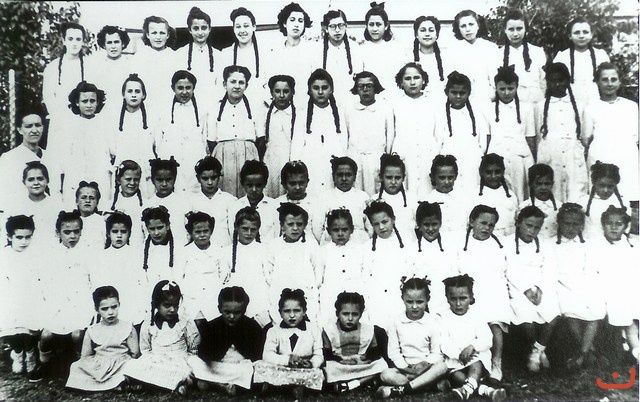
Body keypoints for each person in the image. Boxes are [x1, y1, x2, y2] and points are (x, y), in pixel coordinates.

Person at [36, 210, 93, 381]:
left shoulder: (88, 253)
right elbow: (45, 285)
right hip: (57, 305)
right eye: (67, 232)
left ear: (81, 232)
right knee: (46, 334)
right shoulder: (51, 255)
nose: (72, 236)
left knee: (77, 334)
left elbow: (91, 283)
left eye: (76, 231)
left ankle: (78, 364)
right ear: (58, 233)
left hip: (79, 304)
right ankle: (44, 362)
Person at [457, 205, 510, 381]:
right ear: (472, 222)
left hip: (493, 290)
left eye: (491, 225)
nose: (487, 228)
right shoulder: (461, 244)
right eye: (483, 223)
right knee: (471, 325)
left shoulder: (499, 245)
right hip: (470, 291)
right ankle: (473, 363)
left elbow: (502, 271)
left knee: (495, 325)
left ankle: (496, 362)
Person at [505, 206, 560, 372]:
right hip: (518, 287)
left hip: (541, 286)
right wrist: (526, 289)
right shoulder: (506, 243)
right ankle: (538, 352)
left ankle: (537, 351)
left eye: (537, 227)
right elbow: (509, 269)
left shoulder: (545, 244)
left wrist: (541, 289)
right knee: (525, 315)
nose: (532, 231)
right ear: (518, 223)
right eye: (528, 225)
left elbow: (550, 268)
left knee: (553, 312)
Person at [122, 280, 200, 396]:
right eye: (167, 306)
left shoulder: (184, 321)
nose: (172, 309)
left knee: (188, 370)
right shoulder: (149, 322)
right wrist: (153, 360)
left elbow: (193, 345)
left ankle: (169, 383)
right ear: (156, 305)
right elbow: (145, 348)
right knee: (131, 366)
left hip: (179, 359)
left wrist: (188, 360)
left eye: (175, 305)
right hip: (156, 360)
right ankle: (171, 384)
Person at [439, 275, 507, 401]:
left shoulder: (477, 315)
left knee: (476, 365)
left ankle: (467, 389)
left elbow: (487, 339)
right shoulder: (443, 317)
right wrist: (458, 354)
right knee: (457, 377)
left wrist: (472, 347)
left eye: (463, 298)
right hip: (456, 361)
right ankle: (486, 390)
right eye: (453, 299)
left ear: (471, 297)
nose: (458, 304)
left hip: (476, 357)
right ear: (447, 298)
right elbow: (444, 343)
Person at [376, 278, 447, 399]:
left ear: (427, 300)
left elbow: (436, 352)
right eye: (409, 302)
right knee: (385, 374)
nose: (414, 306)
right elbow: (394, 352)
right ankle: (427, 384)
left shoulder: (433, 322)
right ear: (402, 299)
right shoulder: (395, 322)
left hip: (427, 368)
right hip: (404, 370)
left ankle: (402, 389)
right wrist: (408, 369)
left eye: (419, 302)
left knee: (442, 366)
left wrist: (424, 365)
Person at [551, 203, 602, 368]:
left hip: (583, 284)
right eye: (567, 223)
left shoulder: (587, 244)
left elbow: (591, 270)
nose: (571, 228)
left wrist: (584, 287)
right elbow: (551, 271)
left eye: (576, 224)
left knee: (595, 309)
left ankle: (583, 353)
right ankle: (588, 351)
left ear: (581, 225)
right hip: (561, 286)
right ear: (559, 223)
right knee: (570, 309)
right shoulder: (551, 244)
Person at [189, 286, 264, 396]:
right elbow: (205, 355)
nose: (232, 316)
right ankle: (224, 385)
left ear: (244, 310)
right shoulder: (213, 326)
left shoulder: (252, 327)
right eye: (227, 312)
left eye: (237, 312)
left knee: (252, 369)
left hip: (240, 367)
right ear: (219, 309)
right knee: (193, 361)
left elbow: (257, 356)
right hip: (218, 367)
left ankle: (214, 384)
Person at [587, 206, 639, 364]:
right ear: (603, 225)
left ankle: (635, 349)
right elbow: (591, 272)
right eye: (609, 223)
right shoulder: (595, 245)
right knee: (617, 308)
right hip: (604, 289)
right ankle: (624, 347)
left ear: (625, 226)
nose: (614, 227)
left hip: (627, 287)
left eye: (619, 224)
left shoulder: (632, 245)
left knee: (631, 309)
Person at [65, 286, 140, 391]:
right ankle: (115, 384)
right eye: (104, 309)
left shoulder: (127, 327)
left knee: (134, 365)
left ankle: (116, 383)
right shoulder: (92, 330)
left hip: (121, 364)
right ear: (97, 310)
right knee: (76, 366)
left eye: (114, 307)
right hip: (100, 366)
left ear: (119, 305)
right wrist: (94, 366)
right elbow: (85, 356)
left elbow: (135, 354)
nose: (110, 312)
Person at [253, 288, 324, 399]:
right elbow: (267, 355)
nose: (292, 315)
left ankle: (281, 387)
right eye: (286, 311)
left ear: (304, 311)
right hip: (282, 368)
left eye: (297, 311)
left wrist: (311, 363)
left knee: (318, 373)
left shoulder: (313, 330)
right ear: (280, 313)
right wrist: (287, 360)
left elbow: (319, 354)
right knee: (260, 366)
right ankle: (293, 387)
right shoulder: (273, 331)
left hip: (304, 370)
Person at [208, 65, 266, 198]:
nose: (237, 86)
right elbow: (211, 141)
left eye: (241, 82)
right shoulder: (215, 109)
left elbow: (261, 139)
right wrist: (223, 153)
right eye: (233, 82)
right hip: (223, 159)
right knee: (225, 194)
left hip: (248, 156)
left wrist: (252, 157)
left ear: (246, 86)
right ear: (225, 84)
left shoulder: (255, 108)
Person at [583, 62, 639, 200]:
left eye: (613, 79)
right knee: (602, 196)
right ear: (597, 82)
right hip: (601, 156)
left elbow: (635, 136)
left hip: (626, 157)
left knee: (627, 195)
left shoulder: (631, 106)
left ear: (620, 82)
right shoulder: (590, 108)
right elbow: (586, 138)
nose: (609, 83)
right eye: (604, 79)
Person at [535, 62, 589, 203]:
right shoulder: (540, 106)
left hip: (573, 157)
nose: (557, 84)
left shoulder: (580, 105)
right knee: (553, 194)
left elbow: (584, 135)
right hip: (551, 156)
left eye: (561, 80)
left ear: (568, 80)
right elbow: (538, 136)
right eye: (553, 81)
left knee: (576, 194)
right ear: (547, 82)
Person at [52, 82, 111, 202]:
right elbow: (61, 157)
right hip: (75, 177)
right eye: (84, 101)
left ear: (97, 102)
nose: (89, 105)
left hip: (99, 175)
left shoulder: (105, 125)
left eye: (92, 101)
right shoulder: (68, 127)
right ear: (77, 102)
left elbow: (113, 150)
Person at [291, 68, 347, 193]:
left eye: (324, 88)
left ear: (331, 89)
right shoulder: (302, 113)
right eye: (316, 88)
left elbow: (344, 143)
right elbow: (296, 145)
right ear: (310, 90)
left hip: (332, 164)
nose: (320, 92)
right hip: (310, 163)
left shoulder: (339, 112)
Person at [486, 66, 536, 202]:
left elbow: (530, 138)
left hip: (520, 159)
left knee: (521, 194)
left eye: (510, 88)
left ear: (516, 87)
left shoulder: (526, 108)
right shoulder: (488, 108)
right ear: (496, 88)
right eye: (502, 89)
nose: (506, 93)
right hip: (497, 158)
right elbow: (487, 137)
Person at [154, 70, 209, 192]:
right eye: (180, 88)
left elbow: (204, 141)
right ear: (173, 88)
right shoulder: (163, 111)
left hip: (193, 163)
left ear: (193, 88)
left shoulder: (202, 112)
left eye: (188, 88)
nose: (184, 92)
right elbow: (158, 143)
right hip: (171, 163)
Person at [323, 291, 387, 393]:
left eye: (355, 314)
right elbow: (327, 354)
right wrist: (341, 361)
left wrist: (368, 359)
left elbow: (374, 351)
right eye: (345, 314)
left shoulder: (368, 330)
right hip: (340, 363)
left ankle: (352, 384)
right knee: (329, 368)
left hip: (361, 363)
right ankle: (365, 382)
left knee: (381, 364)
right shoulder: (330, 330)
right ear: (337, 314)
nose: (350, 318)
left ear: (360, 314)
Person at [0, 215, 40, 379]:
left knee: (29, 327)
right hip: (10, 296)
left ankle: (30, 354)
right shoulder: (4, 255)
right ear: (9, 237)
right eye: (19, 237)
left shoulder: (35, 255)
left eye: (28, 237)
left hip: (30, 296)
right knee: (11, 326)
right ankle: (17, 352)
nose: (24, 241)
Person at [91, 212, 147, 327]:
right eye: (115, 231)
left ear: (129, 233)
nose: (119, 235)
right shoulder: (101, 256)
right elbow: (97, 283)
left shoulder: (137, 254)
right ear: (108, 233)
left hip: (131, 304)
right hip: (110, 304)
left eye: (123, 232)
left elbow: (142, 282)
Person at [436, 71, 489, 191]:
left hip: (473, 161)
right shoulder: (440, 114)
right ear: (446, 92)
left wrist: (476, 155)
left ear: (469, 93)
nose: (458, 96)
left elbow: (483, 140)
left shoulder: (477, 112)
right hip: (449, 163)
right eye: (454, 92)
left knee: (472, 190)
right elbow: (437, 140)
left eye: (462, 93)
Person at [267, 203, 320, 322]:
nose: (295, 228)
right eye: (290, 224)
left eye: (299, 224)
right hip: (280, 294)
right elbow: (268, 273)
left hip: (307, 295)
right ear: (282, 225)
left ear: (305, 225)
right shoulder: (274, 245)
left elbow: (318, 271)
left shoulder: (311, 245)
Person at [391, 62, 437, 195]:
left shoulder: (433, 103)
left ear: (423, 80)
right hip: (404, 153)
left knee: (427, 189)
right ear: (401, 82)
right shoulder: (395, 104)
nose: (412, 82)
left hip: (427, 153)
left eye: (416, 78)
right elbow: (391, 133)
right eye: (407, 78)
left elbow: (438, 133)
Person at [345, 71, 393, 196]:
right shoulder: (349, 110)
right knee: (356, 193)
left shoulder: (385, 109)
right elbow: (346, 136)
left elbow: (390, 137)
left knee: (376, 192)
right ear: (356, 89)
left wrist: (386, 158)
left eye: (369, 86)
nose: (365, 90)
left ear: (375, 87)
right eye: (361, 86)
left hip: (376, 159)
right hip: (355, 158)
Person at [363, 200, 408, 329]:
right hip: (377, 304)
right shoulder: (366, 248)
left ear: (393, 219)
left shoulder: (407, 244)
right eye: (376, 224)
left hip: (399, 302)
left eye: (385, 222)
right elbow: (364, 280)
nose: (381, 227)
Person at [222, 207, 271, 327]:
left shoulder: (265, 250)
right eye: (245, 229)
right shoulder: (226, 252)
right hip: (236, 304)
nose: (249, 233)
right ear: (236, 227)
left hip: (260, 302)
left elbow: (269, 279)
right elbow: (223, 281)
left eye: (253, 229)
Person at [316, 209, 367, 325]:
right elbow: (318, 279)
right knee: (330, 325)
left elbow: (365, 276)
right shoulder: (323, 251)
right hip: (331, 296)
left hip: (355, 294)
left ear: (352, 229)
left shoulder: (360, 250)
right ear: (328, 231)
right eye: (335, 230)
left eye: (344, 229)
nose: (340, 234)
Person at [110, 75, 155, 198]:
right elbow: (112, 149)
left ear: (143, 95)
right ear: (123, 94)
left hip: (145, 173)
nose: (134, 95)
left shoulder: (152, 119)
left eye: (137, 91)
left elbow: (157, 146)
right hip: (123, 173)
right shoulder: (114, 119)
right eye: (130, 91)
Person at [410, 202, 457, 315]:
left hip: (447, 306)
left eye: (434, 224)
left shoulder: (450, 248)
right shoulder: (411, 250)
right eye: (426, 225)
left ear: (440, 223)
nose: (431, 229)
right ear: (419, 225)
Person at [178, 211, 224, 326]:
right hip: (191, 299)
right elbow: (178, 276)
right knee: (193, 327)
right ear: (191, 233)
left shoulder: (219, 250)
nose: (202, 235)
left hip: (213, 297)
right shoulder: (184, 252)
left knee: (213, 325)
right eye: (198, 232)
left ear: (211, 231)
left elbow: (223, 274)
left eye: (206, 231)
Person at [266, 2, 314, 106]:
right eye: (292, 20)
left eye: (300, 21)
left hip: (304, 106)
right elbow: (268, 81)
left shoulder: (311, 51)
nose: (296, 24)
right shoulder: (274, 52)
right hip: (279, 107)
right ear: (284, 23)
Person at [554, 17, 610, 104]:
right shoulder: (562, 57)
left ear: (591, 34)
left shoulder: (601, 55)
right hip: (569, 102)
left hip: (595, 100)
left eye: (585, 32)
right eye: (577, 32)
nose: (581, 36)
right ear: (570, 36)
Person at [495, 9, 546, 103]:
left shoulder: (538, 52)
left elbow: (544, 83)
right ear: (505, 30)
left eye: (519, 29)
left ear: (526, 29)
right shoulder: (497, 55)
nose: (515, 34)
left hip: (536, 102)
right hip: (511, 105)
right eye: (511, 29)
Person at [42, 22, 90, 122]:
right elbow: (48, 97)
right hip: (59, 120)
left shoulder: (90, 66)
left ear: (82, 42)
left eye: (78, 39)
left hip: (84, 120)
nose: (74, 43)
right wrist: (59, 118)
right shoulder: (52, 68)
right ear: (64, 41)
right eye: (70, 39)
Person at [0, 106, 48, 205]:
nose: (34, 130)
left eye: (38, 125)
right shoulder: (9, 158)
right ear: (19, 130)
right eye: (29, 126)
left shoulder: (51, 157)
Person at [131, 16, 178, 114]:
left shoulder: (175, 57)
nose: (158, 37)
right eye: (154, 33)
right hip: (145, 104)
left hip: (168, 104)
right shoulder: (139, 57)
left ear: (168, 35)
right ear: (148, 35)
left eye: (162, 33)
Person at [319, 156, 371, 244]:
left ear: (355, 177)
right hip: (332, 243)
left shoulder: (363, 197)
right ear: (333, 176)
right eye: (340, 175)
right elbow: (318, 226)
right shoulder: (325, 197)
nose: (344, 179)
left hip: (359, 242)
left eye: (348, 175)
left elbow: (370, 226)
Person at [175, 7, 222, 102]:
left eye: (204, 28)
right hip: (188, 103)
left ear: (209, 29)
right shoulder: (180, 54)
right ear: (190, 30)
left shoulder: (219, 55)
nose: (200, 32)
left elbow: (221, 84)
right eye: (196, 28)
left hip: (212, 103)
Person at [187, 156, 236, 246]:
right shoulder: (191, 201)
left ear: (219, 177)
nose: (210, 182)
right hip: (200, 250)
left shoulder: (230, 200)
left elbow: (234, 230)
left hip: (224, 249)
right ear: (198, 178)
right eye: (205, 178)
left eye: (213, 178)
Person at [448, 10, 495, 102]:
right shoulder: (453, 50)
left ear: (478, 25)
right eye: (463, 26)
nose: (468, 29)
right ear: (458, 28)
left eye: (471, 24)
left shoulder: (490, 48)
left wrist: (489, 98)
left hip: (486, 98)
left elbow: (495, 80)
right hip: (460, 99)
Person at [220, 7, 265, 103]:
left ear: (254, 27)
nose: (242, 30)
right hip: (233, 105)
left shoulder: (265, 53)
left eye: (246, 26)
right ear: (233, 29)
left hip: (259, 104)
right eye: (238, 27)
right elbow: (220, 84)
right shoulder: (225, 54)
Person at [227, 160, 278, 241]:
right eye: (250, 185)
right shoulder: (235, 207)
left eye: (258, 185)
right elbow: (233, 236)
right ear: (243, 184)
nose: (254, 189)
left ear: (265, 183)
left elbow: (277, 235)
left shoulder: (275, 206)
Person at [263, 74, 297, 198]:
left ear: (292, 92)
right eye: (277, 91)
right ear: (271, 92)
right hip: (270, 161)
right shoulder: (265, 113)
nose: (281, 95)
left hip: (290, 158)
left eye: (286, 91)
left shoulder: (298, 114)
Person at [318, 10, 363, 98]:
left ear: (346, 26)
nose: (337, 30)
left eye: (341, 25)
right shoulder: (317, 49)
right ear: (326, 28)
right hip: (326, 98)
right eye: (333, 26)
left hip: (351, 98)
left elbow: (359, 78)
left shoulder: (355, 48)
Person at [89, 25, 133, 114]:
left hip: (126, 110)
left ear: (123, 44)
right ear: (104, 45)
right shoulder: (97, 66)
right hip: (103, 111)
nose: (113, 46)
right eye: (109, 42)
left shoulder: (131, 65)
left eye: (116, 42)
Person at [360, 3, 403, 94]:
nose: (375, 29)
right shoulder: (361, 49)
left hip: (393, 93)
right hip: (370, 95)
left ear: (386, 26)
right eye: (371, 24)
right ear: (366, 26)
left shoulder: (396, 48)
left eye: (378, 24)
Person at [146, 157, 189, 245]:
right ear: (152, 180)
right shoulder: (148, 204)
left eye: (168, 179)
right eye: (159, 180)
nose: (164, 184)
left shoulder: (183, 203)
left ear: (174, 179)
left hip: (180, 248)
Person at [474, 153, 518, 237]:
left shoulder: (511, 195)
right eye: (489, 172)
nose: (493, 176)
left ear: (503, 172)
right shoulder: (473, 196)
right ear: (481, 172)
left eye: (497, 172)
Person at [424, 155, 469, 236]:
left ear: (456, 176)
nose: (447, 182)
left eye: (450, 177)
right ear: (433, 177)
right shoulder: (427, 201)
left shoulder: (465, 200)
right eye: (442, 178)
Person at [581, 162, 627, 239]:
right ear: (594, 183)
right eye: (601, 185)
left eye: (610, 186)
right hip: (590, 243)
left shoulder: (623, 203)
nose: (606, 190)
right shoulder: (583, 202)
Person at [407, 16, 447, 97]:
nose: (427, 34)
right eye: (423, 30)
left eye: (431, 30)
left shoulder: (447, 58)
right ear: (416, 34)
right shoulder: (407, 58)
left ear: (437, 34)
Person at [376, 153, 415, 238]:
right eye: (389, 177)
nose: (393, 182)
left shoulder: (412, 199)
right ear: (381, 177)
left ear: (403, 178)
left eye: (397, 178)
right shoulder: (374, 200)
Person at [141, 206, 177, 290]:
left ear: (167, 226)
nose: (156, 233)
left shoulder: (179, 249)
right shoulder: (140, 250)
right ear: (147, 229)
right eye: (152, 229)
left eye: (160, 227)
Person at [519, 164, 558, 239]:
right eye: (539, 184)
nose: (543, 188)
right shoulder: (524, 206)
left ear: (552, 184)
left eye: (547, 184)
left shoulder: (559, 207)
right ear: (531, 184)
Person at [109, 160, 146, 238]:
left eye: (136, 179)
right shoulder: (111, 204)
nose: (132, 183)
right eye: (128, 179)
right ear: (118, 180)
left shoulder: (145, 204)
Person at [74, 180, 105, 249]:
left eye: (92, 198)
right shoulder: (70, 221)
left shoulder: (102, 222)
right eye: (83, 197)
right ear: (77, 201)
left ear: (97, 202)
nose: (87, 201)